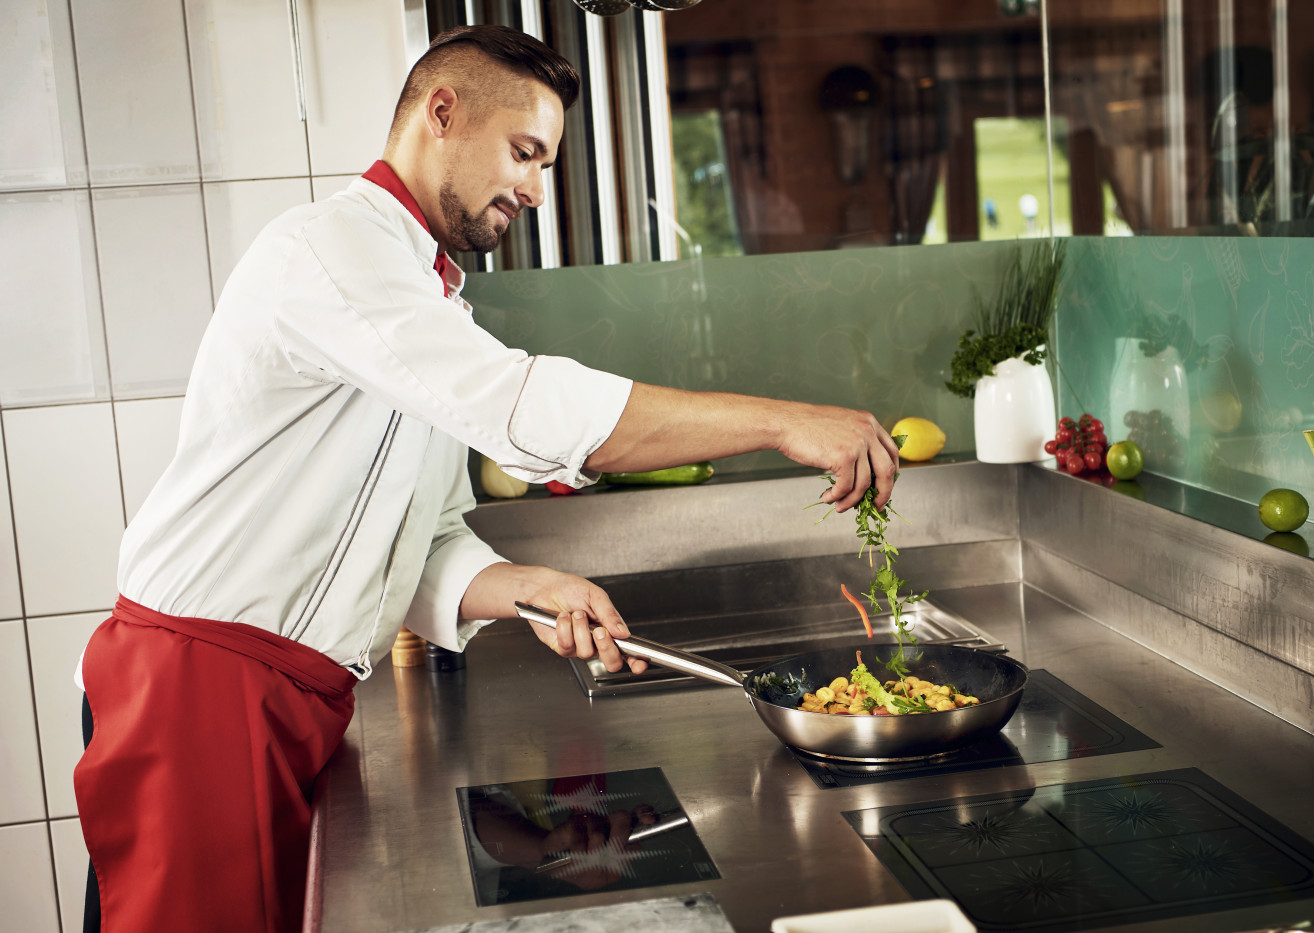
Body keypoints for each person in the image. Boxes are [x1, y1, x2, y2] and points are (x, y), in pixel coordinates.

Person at [73, 23, 900, 933]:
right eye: (524, 153)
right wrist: (783, 421)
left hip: (282, 692)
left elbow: (423, 539)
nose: (535, 191)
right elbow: (523, 407)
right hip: (202, 683)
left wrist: (532, 588)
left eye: (544, 164)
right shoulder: (330, 250)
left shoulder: (424, 295)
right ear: (441, 113)